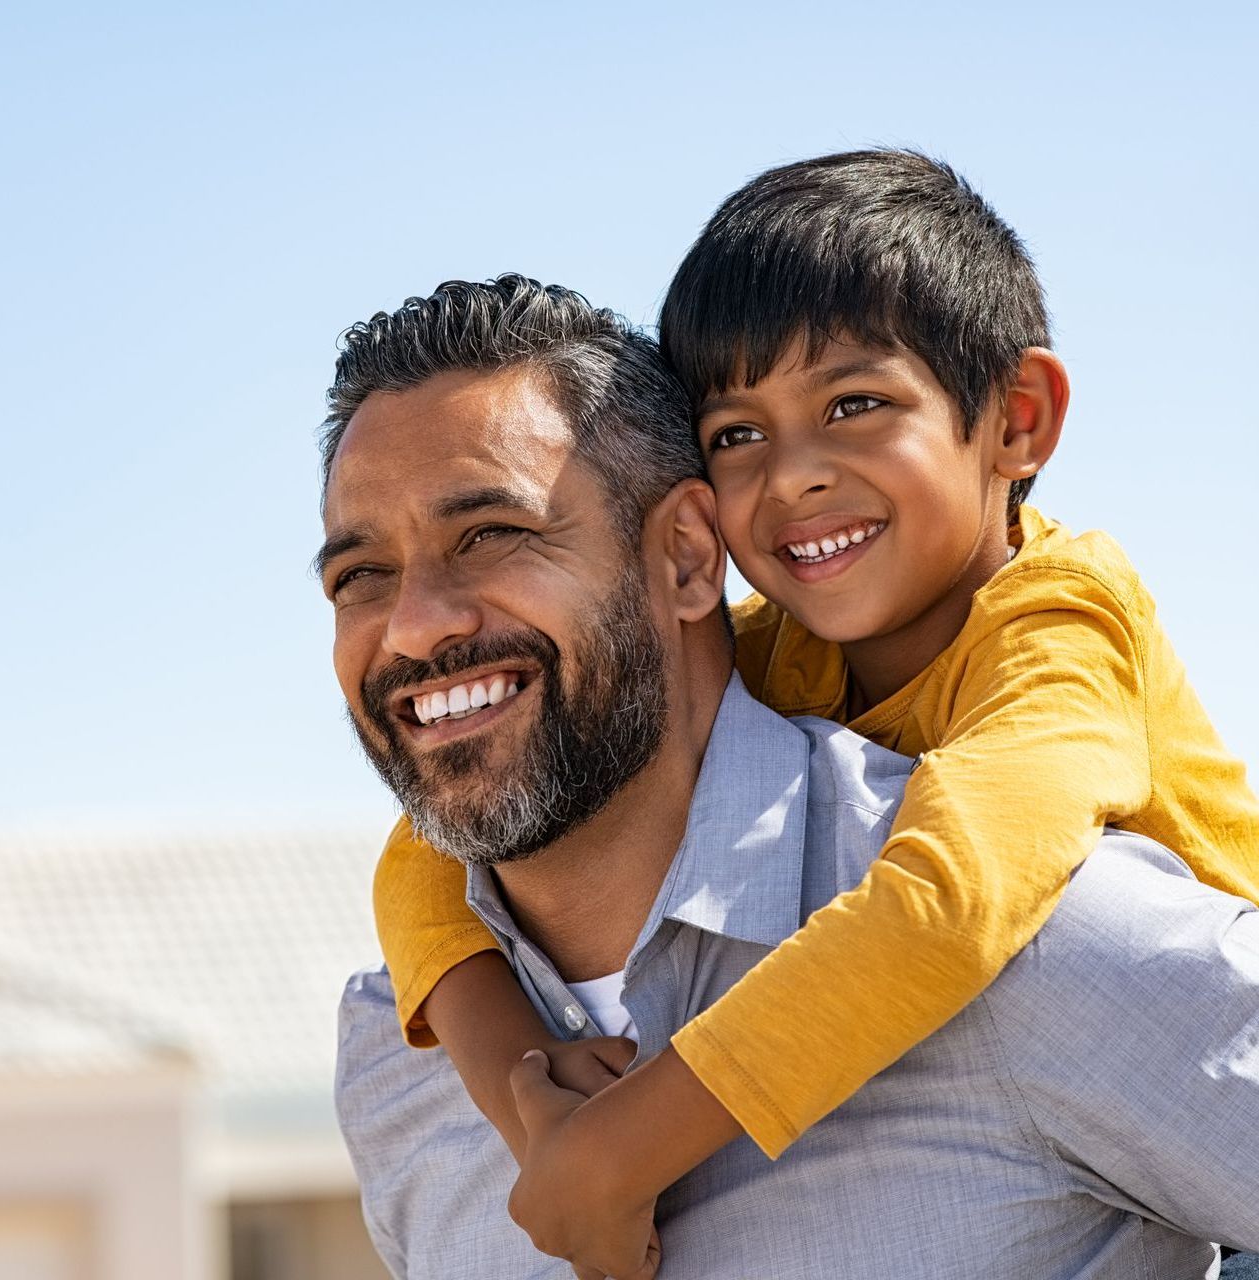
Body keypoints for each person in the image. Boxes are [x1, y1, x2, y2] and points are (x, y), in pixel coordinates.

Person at [368, 153, 1259, 1268]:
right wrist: (526, 1102)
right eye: (737, 433)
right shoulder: (784, 647)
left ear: (1016, 420)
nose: (791, 477)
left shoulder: (1059, 639)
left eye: (854, 404)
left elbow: (948, 903)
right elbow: (420, 853)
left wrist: (623, 1148)